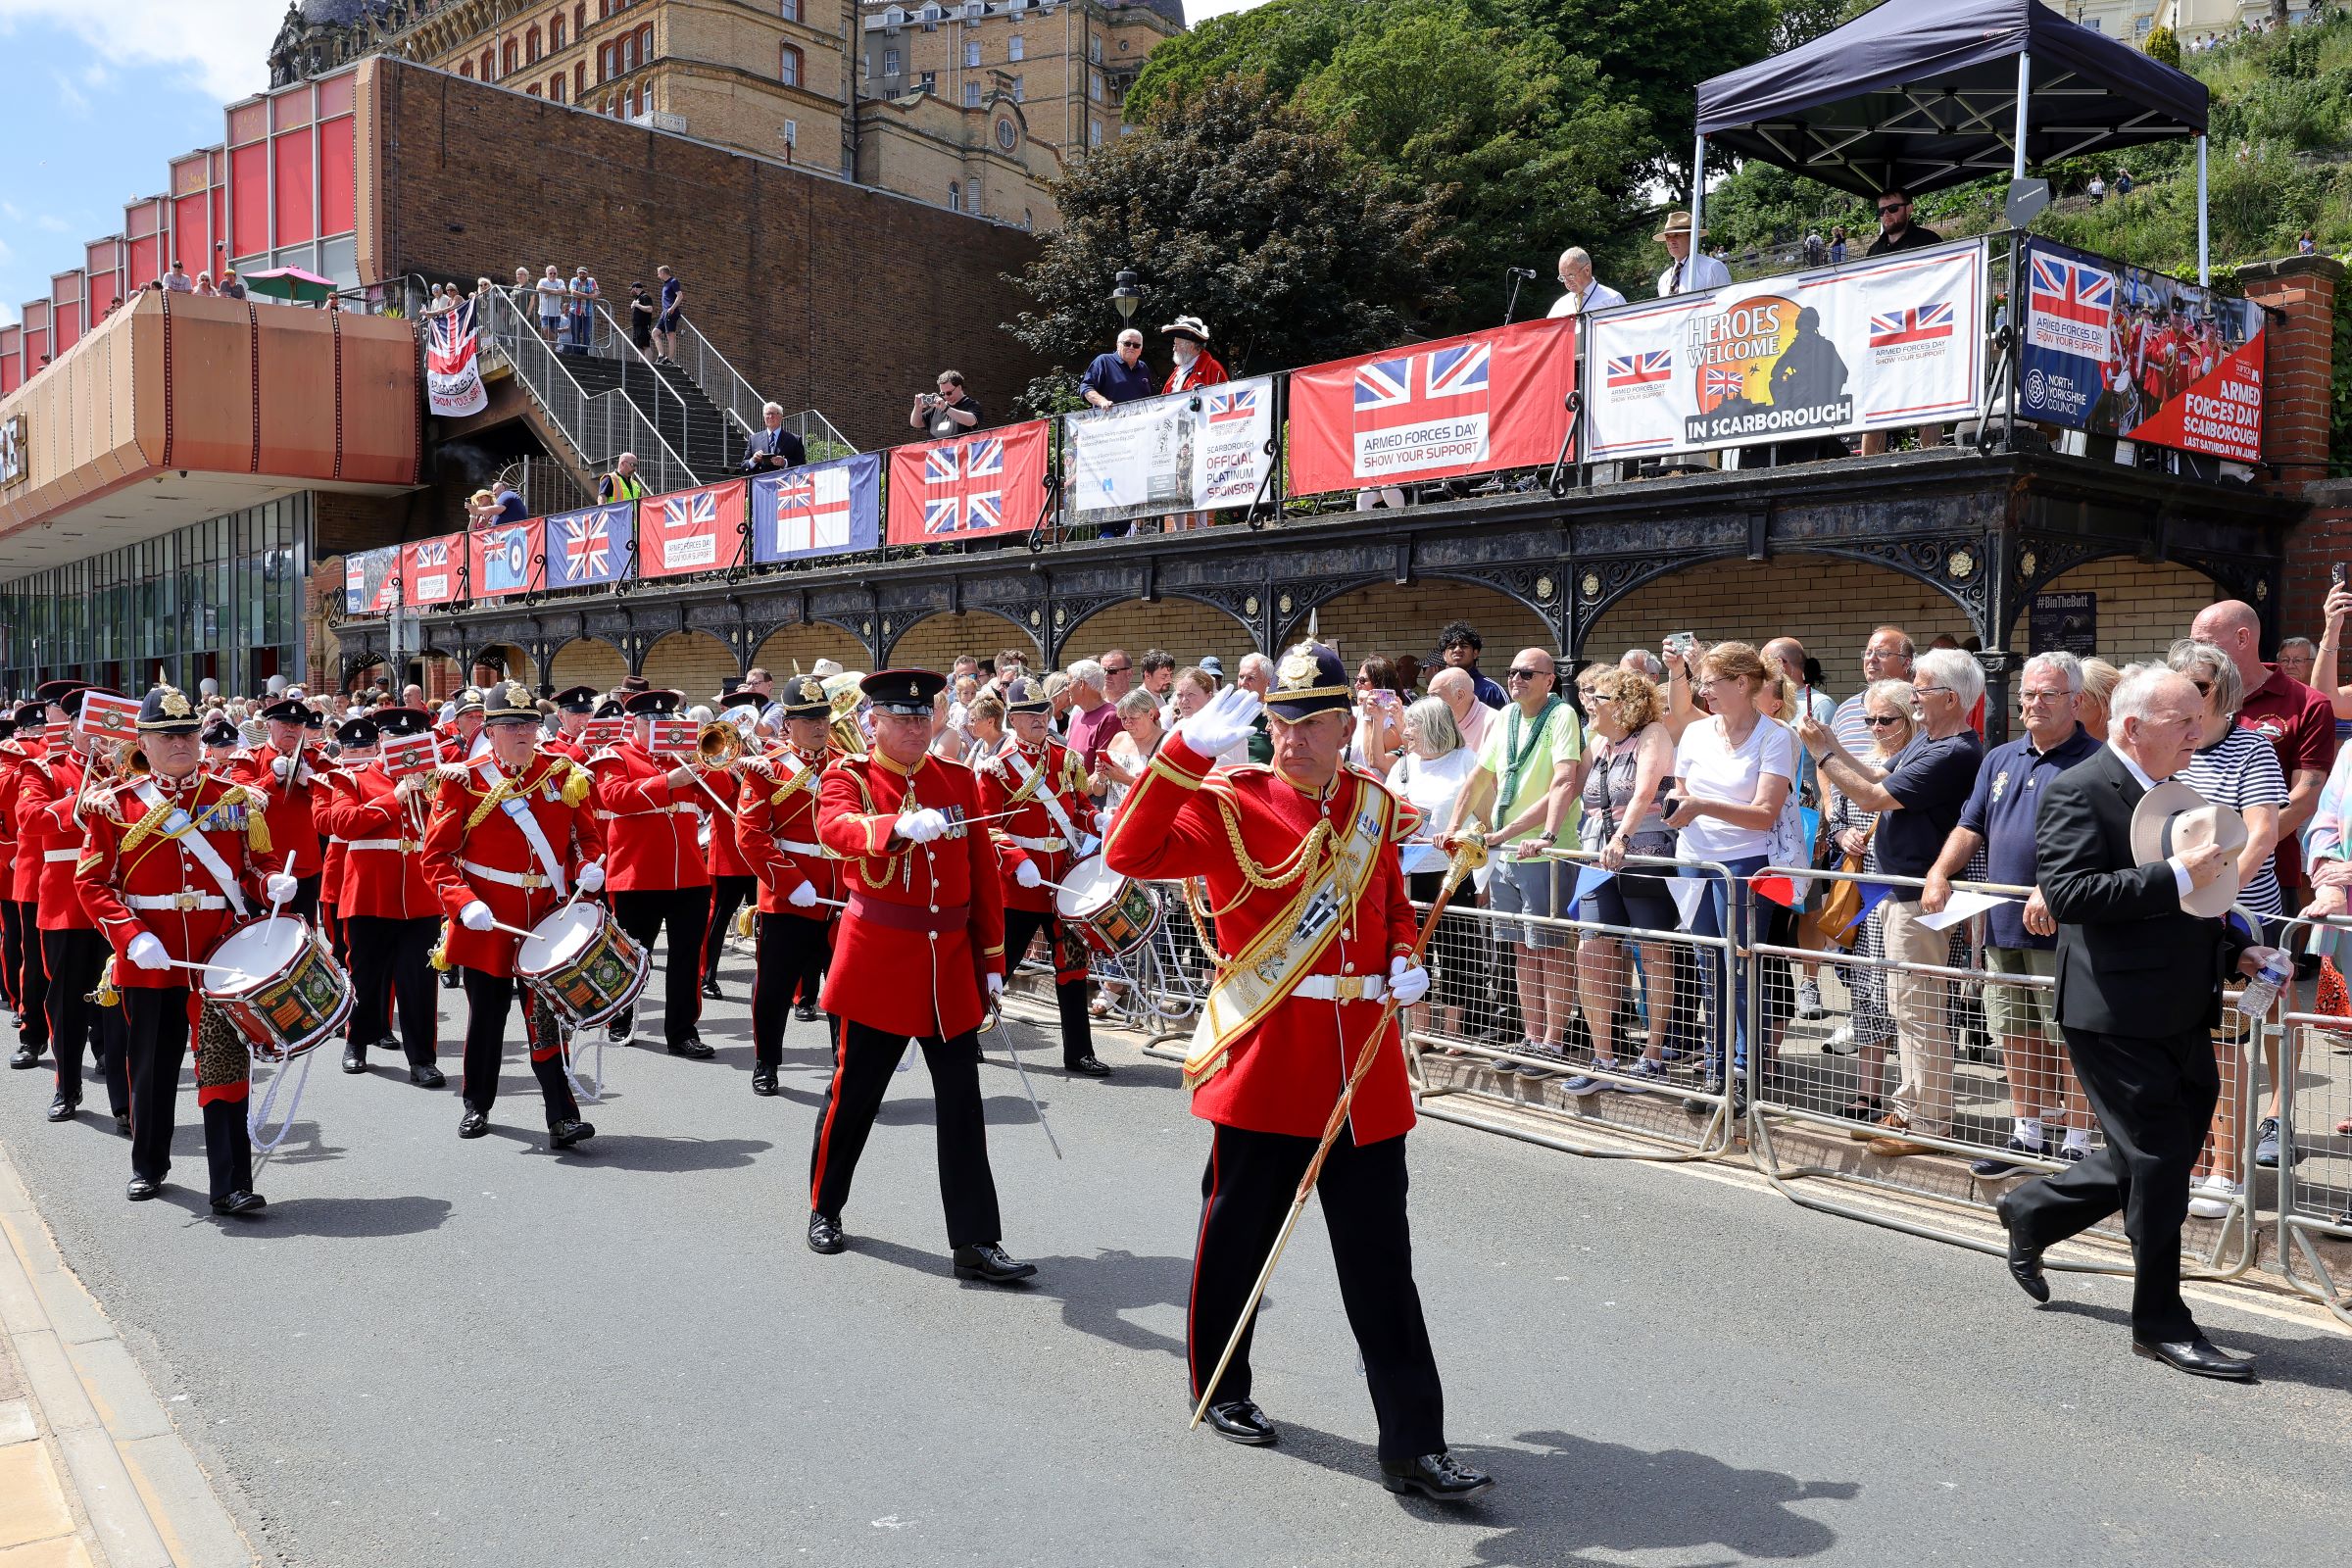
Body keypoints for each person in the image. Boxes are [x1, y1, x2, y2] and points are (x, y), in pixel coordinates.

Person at [1104, 645, 1489, 1502]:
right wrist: (1181, 754)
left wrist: (1400, 957)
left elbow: (1387, 900)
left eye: (1310, 722)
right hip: (1272, 1049)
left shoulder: (1371, 806)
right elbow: (1128, 854)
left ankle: (1413, 1442)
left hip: (1360, 1062)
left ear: (1345, 725)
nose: (1292, 739)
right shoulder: (1231, 804)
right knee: (1235, 1234)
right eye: (1280, 722)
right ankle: (1221, 1382)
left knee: (1383, 1262)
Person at [1998, 664, 2270, 1382]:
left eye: (2198, 719)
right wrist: (2178, 873)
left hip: (2182, 1007)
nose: (2197, 732)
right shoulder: (2078, 790)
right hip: (2112, 1011)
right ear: (2131, 727)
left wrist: (2238, 948)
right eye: (2183, 722)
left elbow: (2192, 905)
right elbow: (2071, 893)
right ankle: (2160, 1323)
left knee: (2160, 1152)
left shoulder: (2176, 792)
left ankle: (2033, 1209)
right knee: (2155, 1162)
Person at [806, 668, 1033, 1285]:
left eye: (920, 717)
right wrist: (892, 828)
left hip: (949, 966)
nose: (911, 728)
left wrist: (990, 961)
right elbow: (835, 830)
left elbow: (983, 874)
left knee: (963, 1103)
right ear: (872, 721)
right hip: (880, 960)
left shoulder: (957, 780)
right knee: (856, 1094)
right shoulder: (848, 775)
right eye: (898, 718)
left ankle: (976, 1242)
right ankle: (826, 1205)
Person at [77, 686, 290, 1213]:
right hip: (152, 958)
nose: (180, 742)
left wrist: (270, 887)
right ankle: (148, 1164)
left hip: (219, 957)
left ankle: (231, 1183)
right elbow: (92, 883)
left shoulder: (233, 799)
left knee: (223, 1066)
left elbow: (251, 870)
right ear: (143, 744)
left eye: (188, 733)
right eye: (167, 735)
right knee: (152, 1067)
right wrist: (131, 935)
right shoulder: (118, 805)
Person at [1798, 648, 1984, 1156]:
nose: (1913, 695)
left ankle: (1928, 1122)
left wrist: (1821, 755)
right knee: (1906, 1010)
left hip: (1919, 900)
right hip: (1900, 893)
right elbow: (1879, 777)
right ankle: (1908, 1107)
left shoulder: (1955, 752)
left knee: (1919, 1011)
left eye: (1920, 687)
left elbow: (1872, 799)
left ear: (1950, 697)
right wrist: (1832, 742)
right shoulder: (1930, 741)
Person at [1922, 654, 2102, 1173]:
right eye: (2027, 694)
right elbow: (1969, 825)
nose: (2034, 704)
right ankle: (2027, 1133)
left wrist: (2052, 887)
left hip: (2064, 925)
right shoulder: (1999, 758)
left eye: (2048, 694)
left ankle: (2077, 1138)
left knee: (2066, 1032)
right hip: (2003, 922)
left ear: (2076, 701)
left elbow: (2100, 840)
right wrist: (1940, 872)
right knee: (2015, 1029)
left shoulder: (2097, 761)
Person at [420, 681, 608, 1148]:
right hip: (488, 919)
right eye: (511, 726)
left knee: (548, 1016)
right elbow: (437, 858)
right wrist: (464, 904)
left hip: (546, 915)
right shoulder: (464, 779)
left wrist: (588, 867)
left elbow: (586, 837)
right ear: (491, 730)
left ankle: (561, 1116)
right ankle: (477, 1103)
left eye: (528, 724)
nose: (523, 734)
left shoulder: (563, 774)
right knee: (487, 1016)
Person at [2190, 598, 2333, 1172]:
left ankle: (2278, 1113)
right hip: (2205, 895)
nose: (2197, 646)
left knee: (2269, 1006)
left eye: (2207, 636)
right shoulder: (2181, 714)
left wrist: (2256, 841)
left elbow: (2308, 792)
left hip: (2264, 893)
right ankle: (2216, 1144)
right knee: (2221, 1025)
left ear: (2242, 638)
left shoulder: (2305, 704)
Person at [2168, 639, 2289, 1218]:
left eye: (2197, 684)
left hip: (2236, 921)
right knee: (2181, 1044)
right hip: (2178, 916)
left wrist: (2217, 898)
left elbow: (2262, 834)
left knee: (2228, 1049)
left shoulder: (2251, 751)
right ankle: (2189, 1160)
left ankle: (2228, 1171)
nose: (2185, 693)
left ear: (2221, 693)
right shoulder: (2172, 753)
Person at [1666, 642, 1798, 1109]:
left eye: (1710, 682)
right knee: (1708, 968)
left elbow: (1764, 813)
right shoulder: (1697, 735)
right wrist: (1683, 808)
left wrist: (1701, 805)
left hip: (1746, 866)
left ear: (1743, 684)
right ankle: (1717, 1069)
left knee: (1741, 969)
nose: (1704, 691)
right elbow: (1681, 792)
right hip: (1695, 861)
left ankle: (1746, 1070)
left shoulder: (1775, 737)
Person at [1440, 648, 1583, 1078]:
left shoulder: (1562, 717)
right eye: (1512, 672)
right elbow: (1480, 776)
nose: (1516, 679)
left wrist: (1542, 835)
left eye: (1526, 673)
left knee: (1551, 950)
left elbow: (1563, 781)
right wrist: (1452, 824)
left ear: (1549, 680)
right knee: (1520, 948)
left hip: (1541, 851)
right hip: (1504, 850)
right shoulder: (1505, 718)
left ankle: (1554, 1042)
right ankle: (1532, 1037)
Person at [975, 675, 1108, 1076]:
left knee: (1073, 967)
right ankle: (965, 1036)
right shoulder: (996, 767)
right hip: (1019, 884)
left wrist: (1097, 818)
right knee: (1000, 965)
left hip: (1061, 880)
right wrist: (1018, 861)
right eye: (1028, 714)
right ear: (1012, 719)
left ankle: (1079, 1052)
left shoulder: (1064, 757)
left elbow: (1077, 805)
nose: (1038, 719)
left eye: (1043, 711)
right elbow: (988, 827)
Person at [318, 706, 446, 1086]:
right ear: (380, 742)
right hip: (370, 894)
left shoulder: (433, 781)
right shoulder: (352, 778)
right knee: (367, 976)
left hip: (419, 896)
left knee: (418, 981)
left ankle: (422, 1059)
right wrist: (395, 797)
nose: (400, 745)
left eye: (410, 739)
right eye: (392, 738)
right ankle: (356, 1042)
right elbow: (342, 823)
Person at [18, 692, 127, 1128]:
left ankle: (124, 1100)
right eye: (90, 724)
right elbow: (29, 818)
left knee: (120, 1002)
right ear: (75, 725)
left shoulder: (121, 770)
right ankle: (67, 1087)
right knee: (65, 1001)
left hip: (115, 901)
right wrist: (78, 802)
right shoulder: (44, 768)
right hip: (66, 902)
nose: (98, 734)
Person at [1566, 668, 1679, 1094]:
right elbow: (1570, 789)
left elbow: (1646, 790)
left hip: (1644, 851)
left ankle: (1652, 1057)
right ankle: (1603, 1058)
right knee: (1590, 948)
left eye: (1598, 696)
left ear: (1624, 702)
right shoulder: (1597, 742)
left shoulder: (1653, 733)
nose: (1589, 702)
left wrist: (1622, 836)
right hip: (1597, 854)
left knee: (1651, 949)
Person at [589, 689, 717, 1057]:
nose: (661, 726)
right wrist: (669, 782)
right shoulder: (615, 755)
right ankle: (620, 1019)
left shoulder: (684, 757)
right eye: (652, 721)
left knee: (686, 956)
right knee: (631, 953)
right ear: (636, 723)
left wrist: (710, 765)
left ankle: (682, 1031)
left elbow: (715, 799)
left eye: (666, 720)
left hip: (689, 873)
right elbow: (614, 797)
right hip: (638, 873)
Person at [734, 675, 842, 1096]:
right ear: (788, 724)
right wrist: (789, 882)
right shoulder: (770, 768)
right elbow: (751, 836)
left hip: (838, 895)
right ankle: (766, 1061)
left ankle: (843, 1069)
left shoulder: (845, 763)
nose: (818, 726)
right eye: (807, 718)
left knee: (842, 989)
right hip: (788, 897)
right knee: (775, 987)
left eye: (823, 717)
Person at [1388, 697, 1483, 1041]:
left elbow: (1485, 816)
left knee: (1457, 950)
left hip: (1452, 871)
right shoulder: (1403, 766)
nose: (1405, 730)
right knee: (1415, 950)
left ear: (1432, 725)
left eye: (1412, 724)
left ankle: (1454, 1031)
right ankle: (1420, 1031)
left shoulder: (1466, 761)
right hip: (1409, 873)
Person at [231, 698, 326, 919]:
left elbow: (333, 800)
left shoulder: (316, 758)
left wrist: (312, 785)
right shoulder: (250, 758)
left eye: (297, 725)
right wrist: (271, 778)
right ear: (269, 725)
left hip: (304, 863)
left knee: (302, 934)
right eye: (284, 724)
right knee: (260, 928)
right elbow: (239, 796)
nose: (290, 729)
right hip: (260, 864)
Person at [1653, 211, 1730, 298]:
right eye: (1668, 237)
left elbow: (1727, 304)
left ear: (1692, 237)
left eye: (1677, 235)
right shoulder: (1664, 279)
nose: (1671, 241)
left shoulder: (1712, 268)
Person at [1436, 621, 1506, 709]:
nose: (1457, 650)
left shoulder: (1492, 690)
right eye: (1452, 646)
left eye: (1464, 646)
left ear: (1475, 653)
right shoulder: (1437, 689)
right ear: (1444, 655)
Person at [1080, 327, 1155, 409]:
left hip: (1139, 419)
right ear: (1118, 345)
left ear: (1141, 350)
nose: (1131, 347)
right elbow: (1086, 387)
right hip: (1111, 418)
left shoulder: (1143, 367)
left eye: (1136, 345)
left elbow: (1150, 397)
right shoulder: (1104, 361)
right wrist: (1102, 401)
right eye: (1127, 343)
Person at [1547, 247, 1627, 318]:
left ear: (1587, 270)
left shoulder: (1613, 300)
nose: (1567, 281)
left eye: (1571, 275)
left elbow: (1625, 332)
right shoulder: (1560, 305)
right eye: (1563, 277)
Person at [1160, 316, 1229, 394]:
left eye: (1177, 345)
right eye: (1174, 345)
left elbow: (1223, 400)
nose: (1174, 349)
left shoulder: (1213, 369)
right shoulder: (1178, 371)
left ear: (1191, 346)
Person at [1865, 186, 1943, 256]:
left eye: (1893, 208)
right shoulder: (1873, 251)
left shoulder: (1929, 241)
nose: (1886, 214)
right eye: (1881, 211)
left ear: (1909, 209)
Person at [909, 369, 982, 438]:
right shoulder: (937, 408)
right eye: (942, 393)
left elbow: (971, 421)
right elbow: (916, 423)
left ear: (959, 388)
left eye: (949, 393)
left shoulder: (972, 405)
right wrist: (917, 407)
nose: (946, 396)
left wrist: (945, 408)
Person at [739, 402, 808, 473]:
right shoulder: (753, 439)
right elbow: (744, 468)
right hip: (761, 483)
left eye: (773, 413)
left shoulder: (794, 440)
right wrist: (753, 460)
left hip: (784, 482)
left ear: (781, 416)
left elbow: (803, 468)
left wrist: (785, 463)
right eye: (767, 414)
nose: (770, 416)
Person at [653, 264, 684, 363]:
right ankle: (661, 355)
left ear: (663, 272)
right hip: (665, 313)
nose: (658, 276)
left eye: (658, 274)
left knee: (670, 335)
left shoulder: (673, 281)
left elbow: (680, 296)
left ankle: (670, 360)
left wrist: (672, 308)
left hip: (671, 312)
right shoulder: (665, 284)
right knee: (655, 333)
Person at [535, 265, 568, 339]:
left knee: (552, 334)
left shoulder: (560, 281)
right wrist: (555, 291)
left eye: (554, 273)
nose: (553, 275)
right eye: (550, 273)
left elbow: (564, 291)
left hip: (556, 314)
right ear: (546, 274)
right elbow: (539, 288)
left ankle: (551, 350)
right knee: (546, 330)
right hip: (544, 313)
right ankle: (557, 344)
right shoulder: (542, 281)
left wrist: (549, 293)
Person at [628, 281, 655, 352]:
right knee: (639, 347)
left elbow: (650, 309)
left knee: (645, 346)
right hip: (637, 326)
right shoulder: (638, 298)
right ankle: (641, 363)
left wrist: (637, 305)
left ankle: (648, 363)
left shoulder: (645, 296)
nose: (631, 291)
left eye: (632, 289)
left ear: (635, 288)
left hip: (643, 326)